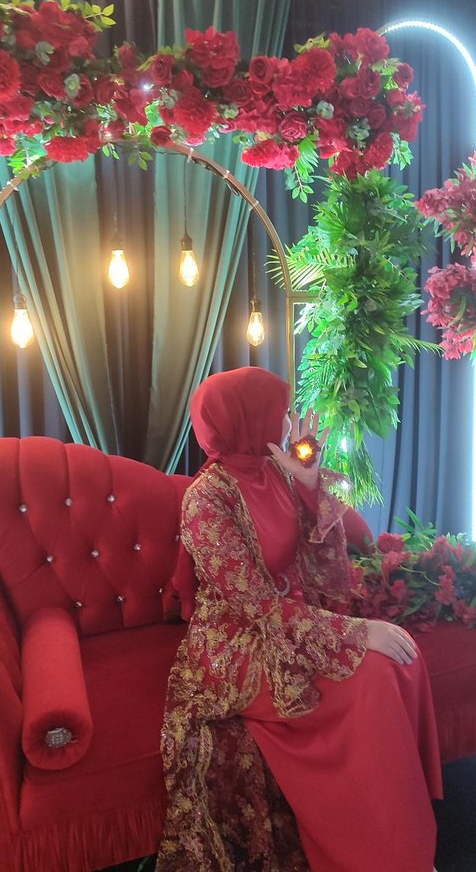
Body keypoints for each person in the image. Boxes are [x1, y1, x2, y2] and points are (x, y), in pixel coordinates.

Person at [158, 367, 442, 872]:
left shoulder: (275, 469)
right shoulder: (206, 499)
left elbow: (322, 555)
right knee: (373, 679)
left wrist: (308, 484)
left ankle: (402, 836)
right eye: (279, 411)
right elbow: (256, 606)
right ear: (247, 420)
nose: (289, 421)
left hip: (296, 617)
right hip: (236, 642)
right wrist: (358, 633)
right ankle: (389, 856)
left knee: (402, 661)